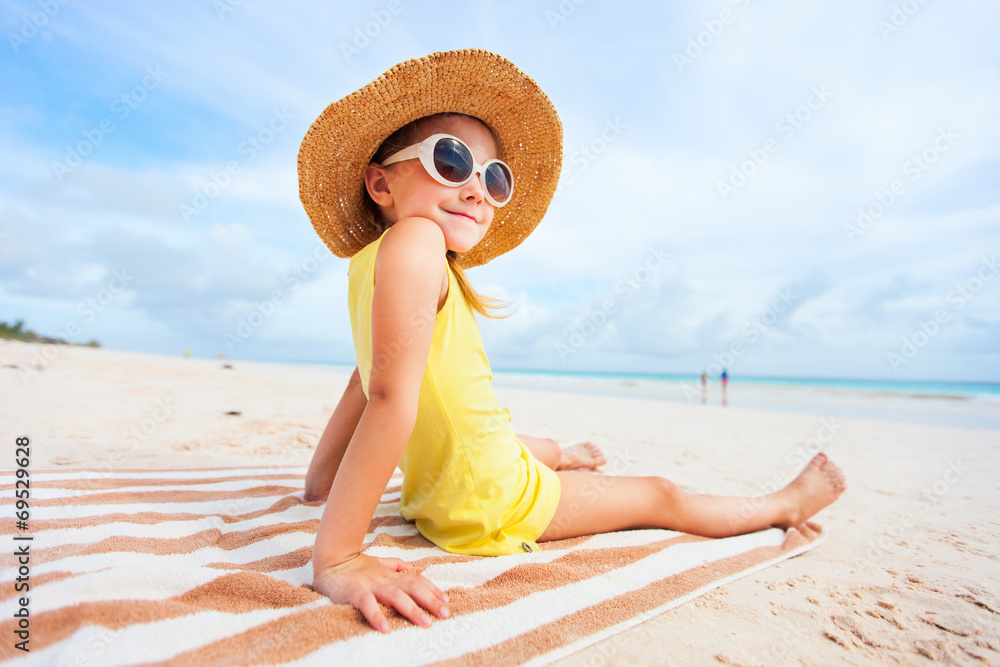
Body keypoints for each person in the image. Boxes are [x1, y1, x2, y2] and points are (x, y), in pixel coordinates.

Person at [297, 49, 846, 634]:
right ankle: (779, 508)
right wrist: (339, 555)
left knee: (518, 440)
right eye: (451, 161)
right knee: (660, 495)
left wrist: (321, 479)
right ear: (380, 182)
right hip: (485, 497)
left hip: (448, 481)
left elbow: (364, 377)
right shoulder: (418, 241)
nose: (478, 189)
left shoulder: (370, 263)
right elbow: (386, 395)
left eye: (494, 177)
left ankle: (562, 454)